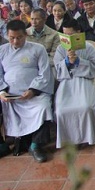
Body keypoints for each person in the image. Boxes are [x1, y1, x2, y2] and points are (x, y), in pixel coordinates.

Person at [0, 20, 54, 162]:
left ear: (26, 35)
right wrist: (2, 92)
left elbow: (45, 73)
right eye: (12, 38)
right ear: (7, 36)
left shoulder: (38, 49)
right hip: (9, 95)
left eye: (19, 37)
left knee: (44, 107)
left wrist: (32, 90)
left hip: (34, 94)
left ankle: (35, 145)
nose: (16, 41)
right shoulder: (2, 51)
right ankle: (2, 145)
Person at [53, 19, 95, 149]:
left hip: (84, 81)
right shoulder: (60, 49)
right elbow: (57, 69)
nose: (68, 38)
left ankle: (87, 137)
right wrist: (67, 62)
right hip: (66, 83)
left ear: (78, 33)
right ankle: (68, 139)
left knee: (85, 107)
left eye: (71, 35)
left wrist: (78, 61)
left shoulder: (89, 47)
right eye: (65, 35)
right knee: (61, 111)